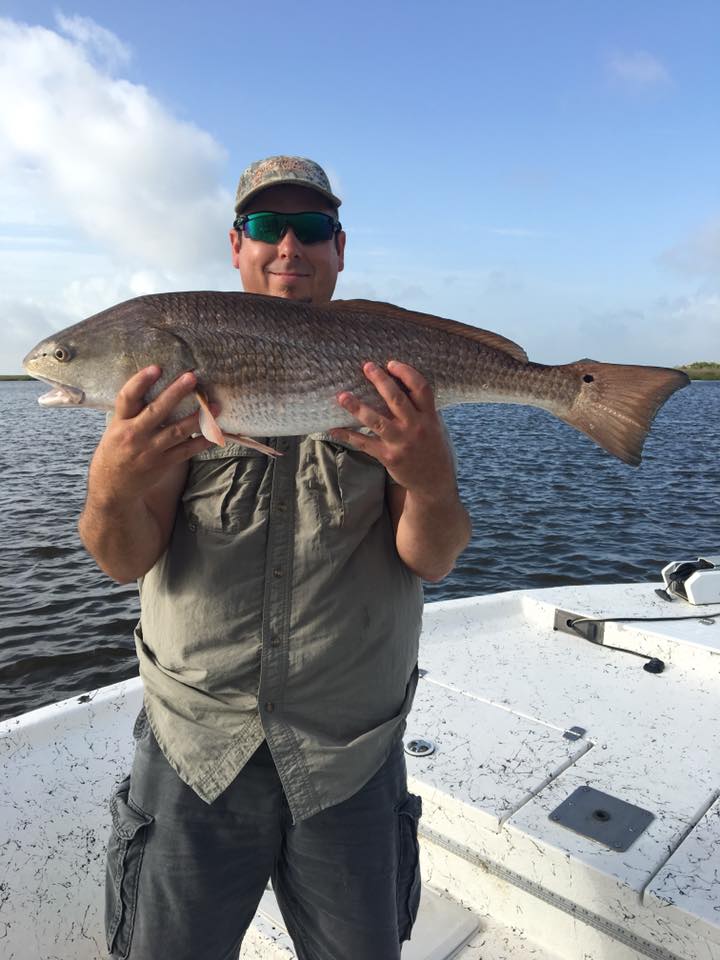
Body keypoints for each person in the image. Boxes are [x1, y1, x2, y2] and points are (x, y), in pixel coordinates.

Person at [79, 155, 471, 960]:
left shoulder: (387, 373)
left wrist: (428, 478)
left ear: (339, 247)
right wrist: (114, 483)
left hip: (349, 749)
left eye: (312, 228)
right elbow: (123, 559)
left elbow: (430, 558)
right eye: (266, 226)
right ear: (236, 244)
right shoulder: (174, 375)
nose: (288, 245)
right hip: (196, 741)